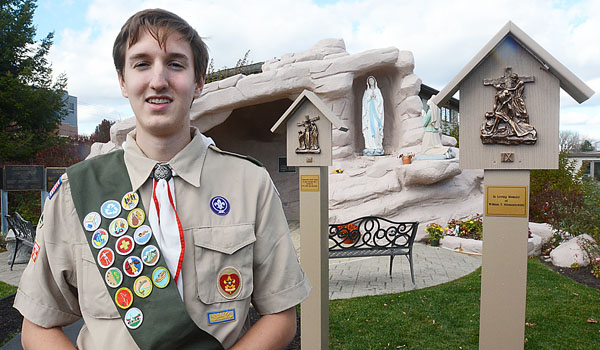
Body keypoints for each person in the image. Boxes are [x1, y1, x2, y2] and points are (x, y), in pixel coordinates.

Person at [14, 9, 310, 350]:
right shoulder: (75, 192)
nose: (158, 80)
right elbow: (38, 325)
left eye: (175, 64)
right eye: (141, 63)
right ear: (123, 81)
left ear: (199, 82)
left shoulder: (249, 184)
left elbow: (281, 316)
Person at [361, 76, 384, 156]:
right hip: (369, 114)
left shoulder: (378, 91)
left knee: (377, 127)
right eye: (369, 80)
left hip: (376, 114)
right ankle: (370, 146)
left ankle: (378, 146)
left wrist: (376, 98)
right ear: (368, 82)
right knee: (370, 130)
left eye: (372, 80)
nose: (371, 82)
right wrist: (369, 98)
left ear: (374, 81)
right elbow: (364, 102)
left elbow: (380, 102)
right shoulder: (367, 92)